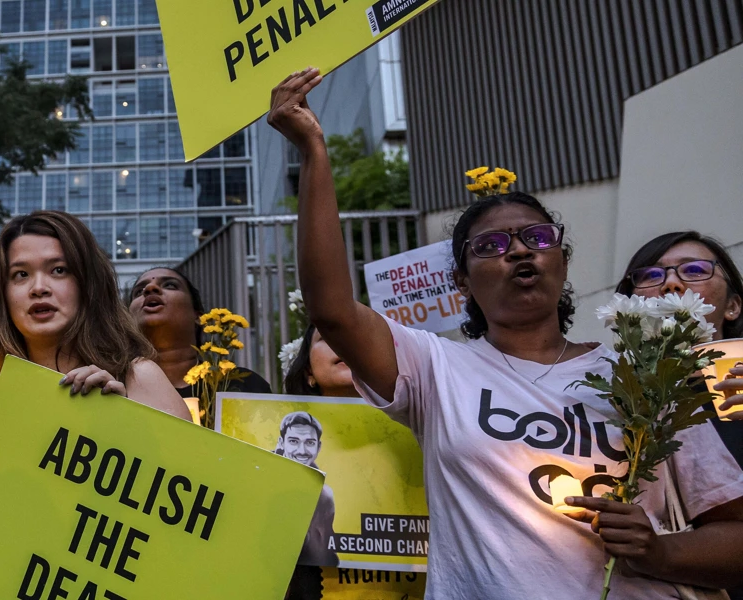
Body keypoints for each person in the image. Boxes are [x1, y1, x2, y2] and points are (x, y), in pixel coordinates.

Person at [270, 67, 743, 597]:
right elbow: (331, 310)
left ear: (562, 261)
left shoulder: (647, 377)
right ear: (461, 282)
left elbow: (734, 533)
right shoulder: (435, 369)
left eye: (536, 237)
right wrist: (314, 152)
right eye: (490, 246)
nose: (519, 250)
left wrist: (662, 550)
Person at [0, 211, 192, 476]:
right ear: (2, 294)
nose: (38, 287)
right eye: (20, 274)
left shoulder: (138, 378)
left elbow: (199, 493)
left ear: (87, 283)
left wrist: (126, 426)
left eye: (59, 270)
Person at [283, 325, 427, 599]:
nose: (345, 341)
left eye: (358, 333)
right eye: (327, 337)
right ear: (308, 373)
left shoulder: (431, 428)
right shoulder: (272, 444)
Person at [616, 231, 743, 421]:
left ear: (732, 306)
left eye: (694, 270)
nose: (671, 283)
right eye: (651, 274)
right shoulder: (613, 400)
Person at [128, 266, 272, 398]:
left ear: (198, 316)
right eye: (139, 291)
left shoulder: (241, 386)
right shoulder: (113, 388)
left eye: (170, 285)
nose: (150, 288)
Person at [273, 411, 339, 568]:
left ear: (318, 446)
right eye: (294, 441)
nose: (302, 451)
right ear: (281, 443)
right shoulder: (259, 477)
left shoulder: (324, 496)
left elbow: (324, 555)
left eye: (309, 442)